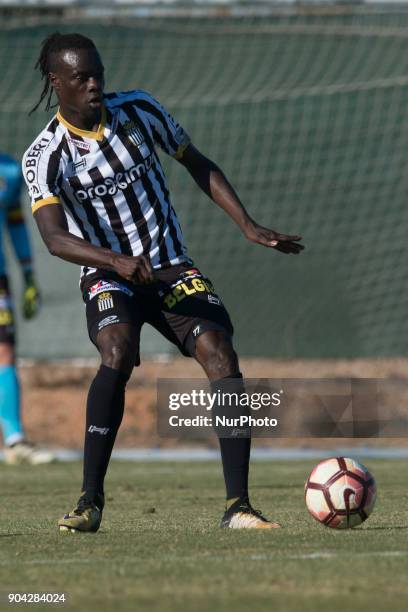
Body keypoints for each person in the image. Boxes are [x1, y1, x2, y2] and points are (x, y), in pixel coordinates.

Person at [23, 32, 304, 532]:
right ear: (56, 81)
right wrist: (115, 260)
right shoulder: (45, 155)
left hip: (172, 266)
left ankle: (238, 507)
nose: (94, 85)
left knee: (221, 352)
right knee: (117, 348)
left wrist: (248, 224)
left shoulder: (139, 109)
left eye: (98, 74)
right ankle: (90, 503)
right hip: (110, 275)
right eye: (82, 77)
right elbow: (54, 238)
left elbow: (197, 162)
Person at [0, 152, 54, 465]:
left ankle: (15, 440)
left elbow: (15, 220)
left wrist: (29, 271)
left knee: (4, 350)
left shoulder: (9, 169)